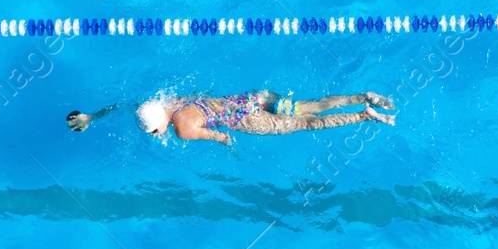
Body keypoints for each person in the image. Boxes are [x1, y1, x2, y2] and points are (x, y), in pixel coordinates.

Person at [69, 90, 395, 143]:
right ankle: (361, 97)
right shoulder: (169, 101)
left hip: (247, 120)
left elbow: (221, 135)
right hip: (252, 98)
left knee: (307, 125)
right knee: (308, 107)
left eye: (154, 132)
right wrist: (92, 116)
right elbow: (127, 104)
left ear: (158, 126)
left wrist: (228, 146)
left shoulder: (182, 130)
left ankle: (364, 116)